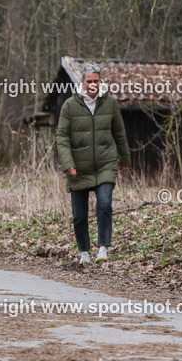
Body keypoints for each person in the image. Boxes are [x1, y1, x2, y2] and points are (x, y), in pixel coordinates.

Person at [56, 63, 131, 264]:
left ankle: (103, 248)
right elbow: (61, 137)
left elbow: (119, 133)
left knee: (104, 204)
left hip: (106, 164)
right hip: (78, 167)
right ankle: (84, 253)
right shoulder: (70, 106)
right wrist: (67, 163)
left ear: (100, 82)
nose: (92, 85)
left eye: (96, 81)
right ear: (82, 82)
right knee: (79, 215)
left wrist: (124, 159)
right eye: (89, 81)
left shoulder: (110, 104)